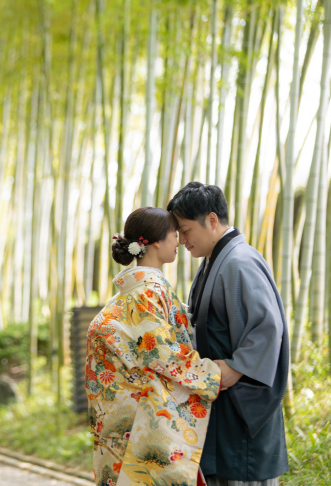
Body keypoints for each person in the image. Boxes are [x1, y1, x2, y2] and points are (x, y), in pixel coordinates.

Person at [86, 207, 221, 486]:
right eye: (175, 234)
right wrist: (215, 375)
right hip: (139, 422)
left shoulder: (134, 292)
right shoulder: (147, 292)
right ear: (157, 241)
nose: (180, 242)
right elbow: (161, 353)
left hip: (122, 418)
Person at [167, 182, 290, 486]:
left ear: (211, 220)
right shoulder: (214, 260)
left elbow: (267, 325)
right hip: (222, 405)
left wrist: (236, 366)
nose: (181, 241)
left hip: (242, 406)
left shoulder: (239, 261)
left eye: (185, 230)